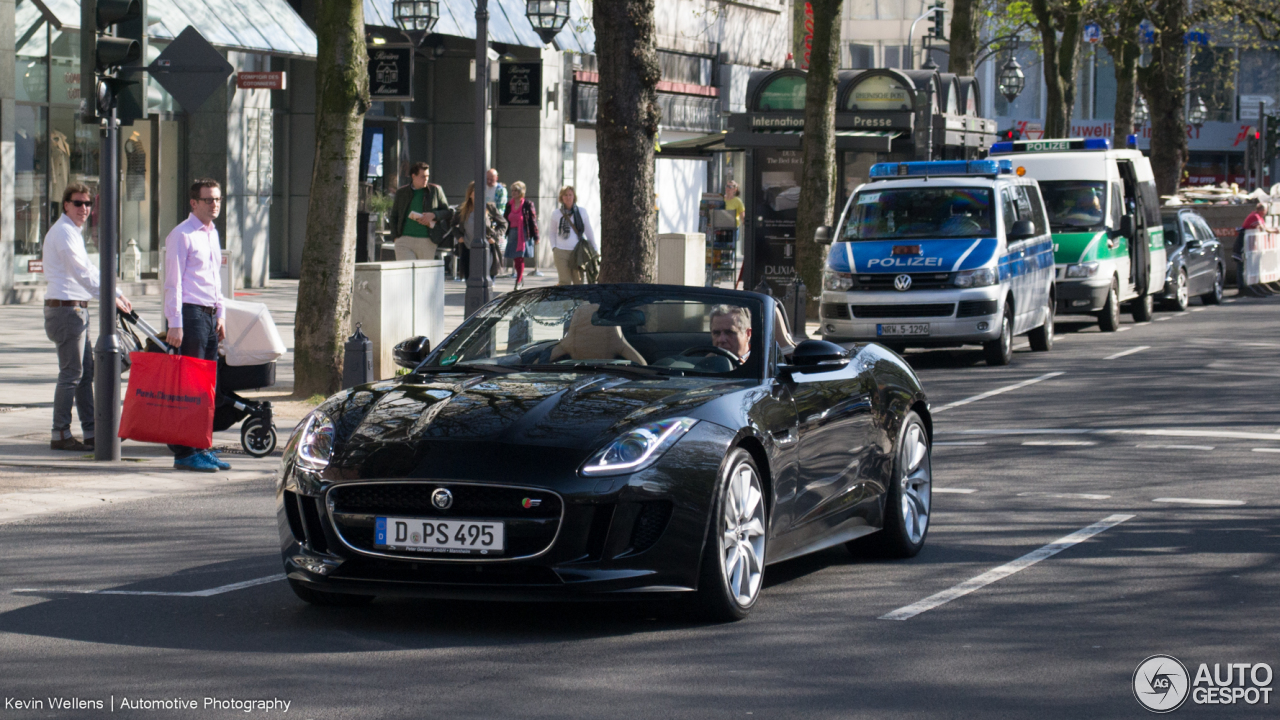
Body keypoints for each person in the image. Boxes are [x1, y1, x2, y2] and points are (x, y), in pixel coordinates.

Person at [42, 183, 133, 451]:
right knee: (71, 374)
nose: (84, 208)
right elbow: (81, 272)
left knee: (84, 374)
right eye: (78, 203)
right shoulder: (63, 233)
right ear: (66, 205)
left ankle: (92, 431)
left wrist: (114, 291)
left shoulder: (73, 231)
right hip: (66, 310)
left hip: (75, 309)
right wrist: (109, 297)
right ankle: (60, 432)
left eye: (88, 204)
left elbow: (91, 270)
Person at [163, 179, 229, 473]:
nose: (215, 204)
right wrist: (174, 323)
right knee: (190, 386)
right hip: (189, 315)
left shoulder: (212, 234)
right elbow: (173, 283)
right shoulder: (181, 235)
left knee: (206, 388)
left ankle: (202, 446)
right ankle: (184, 452)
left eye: (217, 199)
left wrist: (221, 314)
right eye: (208, 200)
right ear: (194, 203)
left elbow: (216, 277)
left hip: (209, 315)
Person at [390, 162, 451, 261]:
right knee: (406, 273)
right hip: (404, 240)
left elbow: (448, 212)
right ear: (413, 176)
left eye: (427, 176)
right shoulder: (402, 192)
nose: (426, 179)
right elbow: (394, 216)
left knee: (423, 275)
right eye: (423, 176)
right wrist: (395, 238)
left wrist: (434, 215)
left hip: (427, 240)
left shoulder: (435, 190)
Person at [451, 181, 508, 280]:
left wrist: (494, 237)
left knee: (487, 280)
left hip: (486, 248)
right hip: (468, 247)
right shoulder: (462, 209)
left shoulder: (489, 207)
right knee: (469, 279)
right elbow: (452, 225)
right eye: (475, 192)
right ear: (470, 194)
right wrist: (459, 237)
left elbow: (504, 224)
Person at [549, 186, 598, 285]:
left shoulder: (582, 212)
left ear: (574, 196)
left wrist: (595, 249)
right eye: (565, 195)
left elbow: (589, 231)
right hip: (560, 252)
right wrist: (554, 247)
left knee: (578, 282)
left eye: (570, 195)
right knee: (565, 281)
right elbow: (552, 232)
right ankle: (564, 301)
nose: (568, 197)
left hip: (577, 252)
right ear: (561, 197)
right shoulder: (556, 213)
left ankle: (578, 301)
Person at [504, 181, 539, 290]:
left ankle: (518, 280)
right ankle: (520, 277)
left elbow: (533, 221)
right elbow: (505, 219)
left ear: (521, 192)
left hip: (523, 233)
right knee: (515, 258)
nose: (514, 193)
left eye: (516, 190)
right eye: (512, 190)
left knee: (520, 257)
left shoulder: (528, 204)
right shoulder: (509, 205)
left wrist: (536, 236)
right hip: (512, 233)